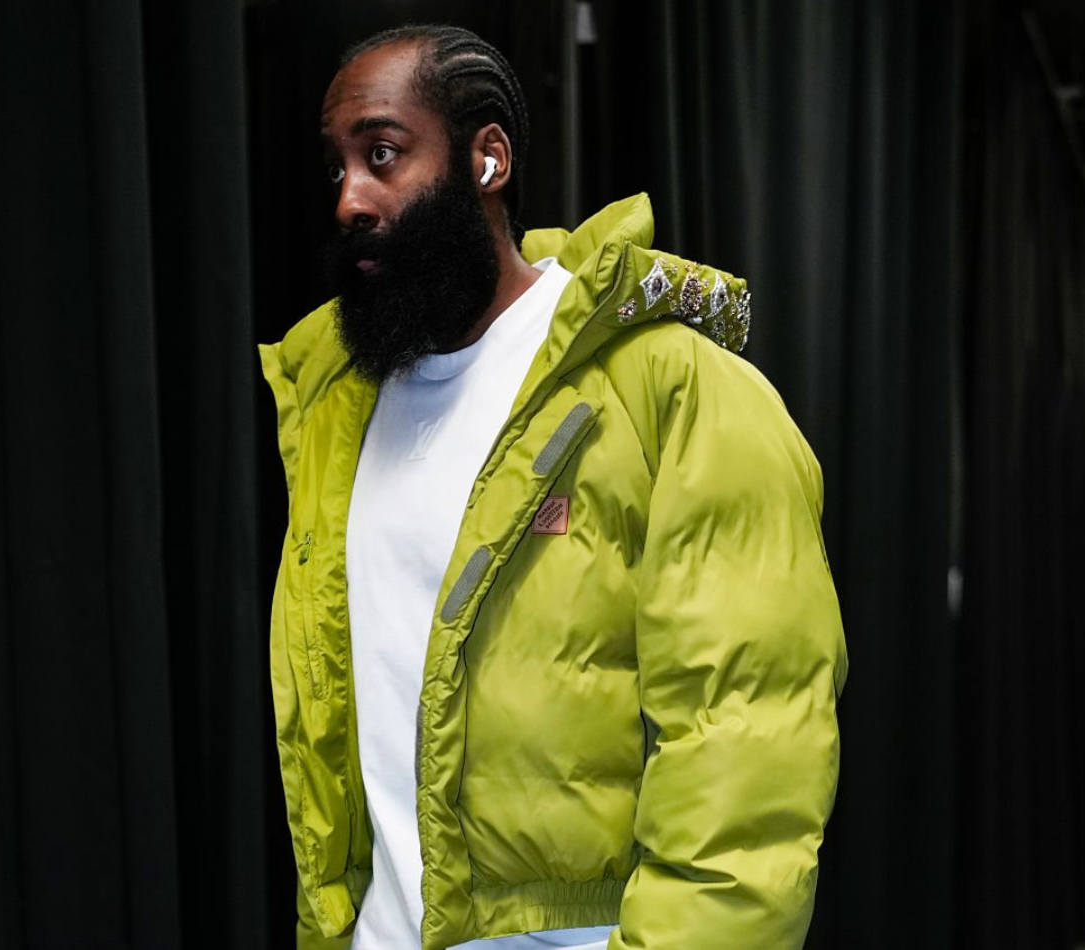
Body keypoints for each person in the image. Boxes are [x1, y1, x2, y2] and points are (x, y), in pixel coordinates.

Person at [259, 24, 846, 950]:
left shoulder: (672, 392)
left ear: (488, 158)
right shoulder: (339, 404)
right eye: (337, 168)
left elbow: (747, 745)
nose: (350, 200)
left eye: (382, 155)